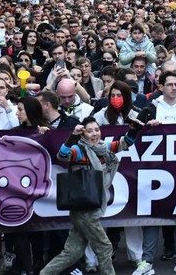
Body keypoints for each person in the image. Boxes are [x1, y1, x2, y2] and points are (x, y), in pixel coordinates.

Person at [39, 116, 139, 275]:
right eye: (90, 131)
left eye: (97, 129)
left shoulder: (103, 147)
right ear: (83, 134)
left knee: (73, 252)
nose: (94, 134)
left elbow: (124, 143)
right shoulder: (79, 149)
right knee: (105, 247)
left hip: (87, 206)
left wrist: (134, 130)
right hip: (84, 209)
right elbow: (62, 155)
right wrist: (72, 135)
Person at [133, 71, 176, 275]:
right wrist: (146, 128)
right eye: (170, 84)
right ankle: (147, 261)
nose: (174, 87)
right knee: (153, 215)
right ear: (160, 87)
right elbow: (134, 134)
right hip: (154, 171)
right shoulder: (150, 108)